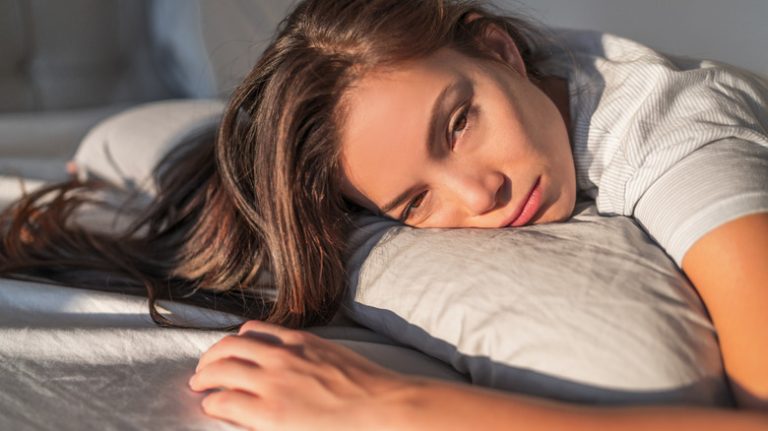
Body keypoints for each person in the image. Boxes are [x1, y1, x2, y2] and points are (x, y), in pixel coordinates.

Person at [1, 0, 767, 429]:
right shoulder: (452, 81)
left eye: (458, 124)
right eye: (412, 202)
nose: (479, 196)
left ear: (499, 50)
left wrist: (391, 402)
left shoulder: (686, 137)